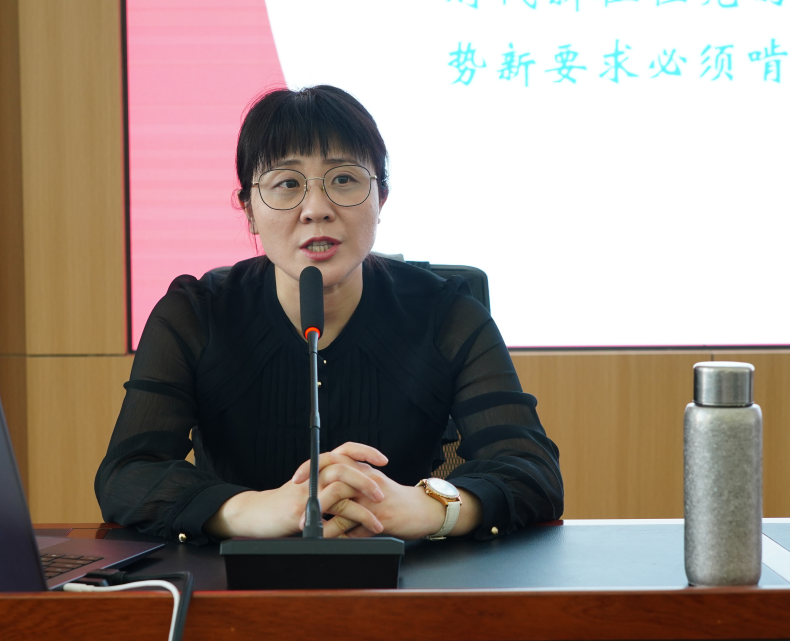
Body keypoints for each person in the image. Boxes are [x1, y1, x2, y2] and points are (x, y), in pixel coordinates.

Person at [95, 85, 563, 545]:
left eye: (343, 180)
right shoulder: (196, 315)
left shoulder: (446, 314)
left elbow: (532, 471)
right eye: (287, 184)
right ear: (248, 210)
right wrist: (253, 510)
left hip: (407, 580)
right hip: (234, 582)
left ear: (381, 198)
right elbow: (127, 474)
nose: (316, 210)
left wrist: (424, 507)